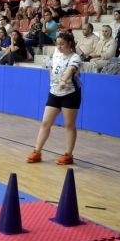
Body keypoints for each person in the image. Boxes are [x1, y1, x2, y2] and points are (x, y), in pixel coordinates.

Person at [27, 32, 82, 165]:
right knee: (45, 123)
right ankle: (37, 152)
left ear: (69, 43)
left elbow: (71, 69)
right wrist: (52, 77)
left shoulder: (75, 57)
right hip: (54, 92)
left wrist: (63, 80)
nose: (59, 47)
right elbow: (52, 67)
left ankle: (68, 155)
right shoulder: (56, 53)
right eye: (57, 44)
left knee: (69, 125)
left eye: (62, 44)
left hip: (70, 93)